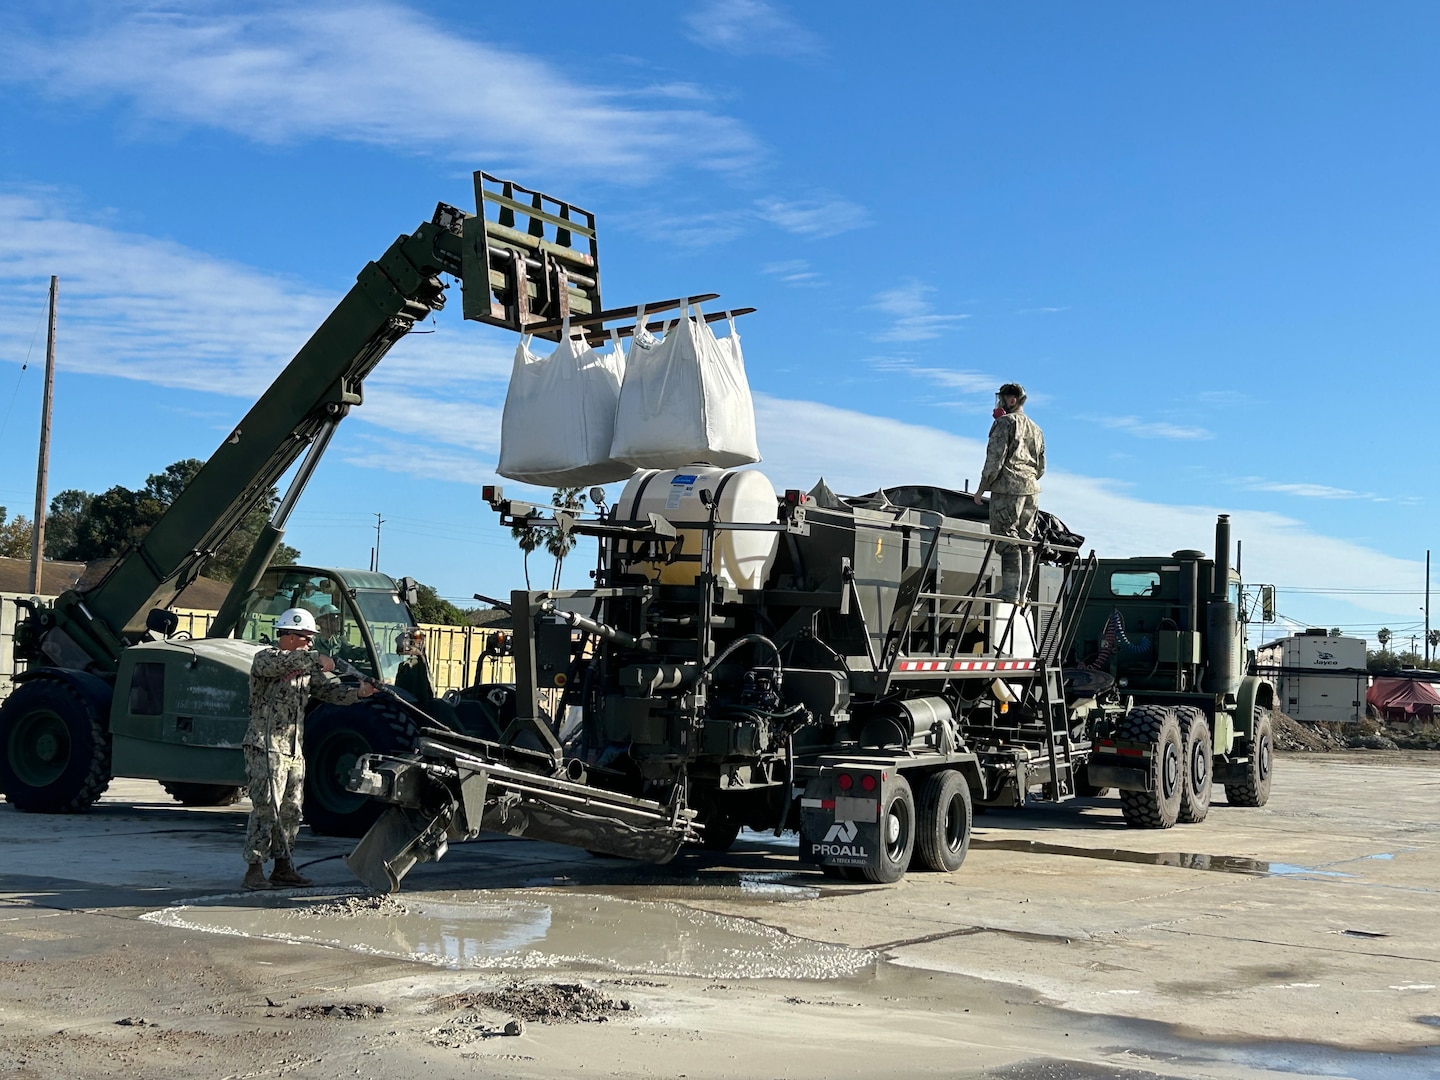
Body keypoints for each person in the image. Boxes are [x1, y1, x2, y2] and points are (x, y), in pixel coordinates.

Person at [242, 607, 376, 891]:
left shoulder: (305, 669)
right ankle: (254, 869)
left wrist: (359, 693)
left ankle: (283, 867)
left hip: (292, 749)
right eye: (306, 637)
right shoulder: (266, 658)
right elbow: (283, 663)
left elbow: (330, 692)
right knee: (267, 807)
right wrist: (317, 659)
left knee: (291, 811)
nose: (311, 642)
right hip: (266, 747)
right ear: (288, 636)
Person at [973, 382, 1045, 603]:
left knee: (1007, 537)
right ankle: (1022, 595)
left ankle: (1010, 591)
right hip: (1031, 490)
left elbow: (994, 461)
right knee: (1026, 539)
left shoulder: (1004, 423)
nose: (1000, 403)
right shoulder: (1036, 428)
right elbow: (1041, 467)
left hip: (1008, 488)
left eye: (1003, 398)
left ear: (1012, 399)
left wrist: (981, 489)